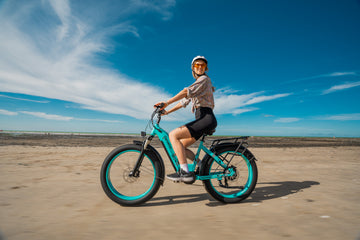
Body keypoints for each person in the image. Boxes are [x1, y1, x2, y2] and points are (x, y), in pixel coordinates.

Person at [154, 56, 217, 183]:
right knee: (180, 146)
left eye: (202, 65)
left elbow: (185, 92)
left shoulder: (204, 80)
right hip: (203, 119)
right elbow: (184, 101)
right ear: (193, 68)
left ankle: (184, 172)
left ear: (206, 68)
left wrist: (167, 102)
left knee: (173, 135)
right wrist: (167, 112)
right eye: (197, 65)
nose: (200, 67)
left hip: (206, 118)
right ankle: (200, 164)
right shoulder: (199, 86)